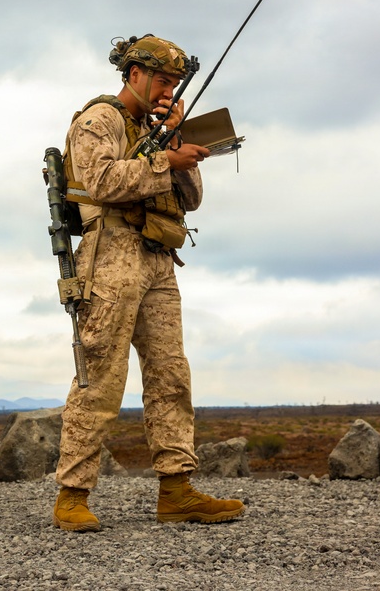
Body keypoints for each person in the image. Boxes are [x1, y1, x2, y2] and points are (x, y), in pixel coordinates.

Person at [52, 35, 245, 531]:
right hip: (111, 255)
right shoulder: (100, 121)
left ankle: (177, 489)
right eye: (161, 79)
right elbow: (101, 183)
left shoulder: (156, 126)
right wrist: (164, 160)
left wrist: (175, 141)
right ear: (134, 74)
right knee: (100, 375)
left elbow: (192, 197)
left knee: (170, 375)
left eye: (174, 83)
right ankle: (72, 495)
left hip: (159, 256)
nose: (168, 89)